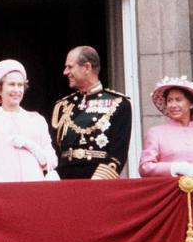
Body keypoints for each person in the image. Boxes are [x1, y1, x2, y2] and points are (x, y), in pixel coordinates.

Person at [0, 57, 58, 183]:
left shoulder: (36, 120)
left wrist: (30, 145)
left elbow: (52, 161)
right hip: (0, 193)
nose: (17, 90)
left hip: (33, 191)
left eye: (20, 85)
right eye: (11, 84)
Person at [51, 46, 132, 180]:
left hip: (98, 181)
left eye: (70, 67)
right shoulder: (63, 106)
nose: (65, 72)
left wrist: (97, 183)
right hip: (64, 180)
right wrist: (55, 175)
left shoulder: (118, 103)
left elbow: (117, 154)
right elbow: (56, 149)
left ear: (87, 67)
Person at [139, 76, 193, 177]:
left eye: (178, 100)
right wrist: (173, 168)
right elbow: (145, 167)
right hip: (170, 191)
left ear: (191, 104)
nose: (173, 105)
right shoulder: (156, 133)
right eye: (169, 100)